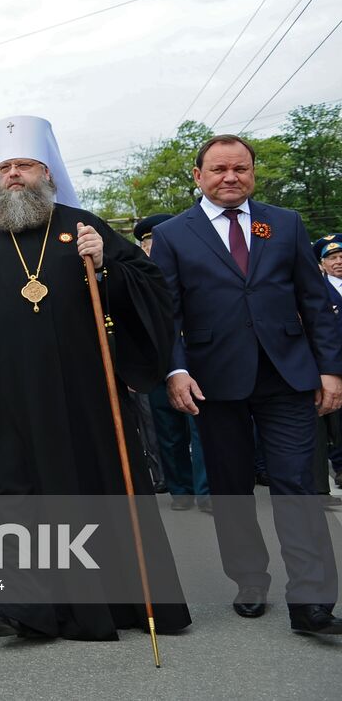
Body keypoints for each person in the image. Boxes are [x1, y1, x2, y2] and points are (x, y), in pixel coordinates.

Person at [0, 115, 191, 641]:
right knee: (13, 498)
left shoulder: (84, 226)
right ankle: (22, 607)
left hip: (84, 396)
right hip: (4, 400)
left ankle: (114, 603)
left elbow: (151, 291)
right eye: (5, 167)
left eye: (24, 166)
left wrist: (106, 267)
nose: (13, 175)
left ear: (47, 172)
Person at [152, 135, 342, 635]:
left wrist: (331, 370)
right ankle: (250, 580)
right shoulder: (174, 234)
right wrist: (175, 371)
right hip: (214, 382)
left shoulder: (285, 223)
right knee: (232, 489)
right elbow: (165, 316)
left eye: (241, 168)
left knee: (296, 486)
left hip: (287, 376)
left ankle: (312, 601)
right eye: (218, 169)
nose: (230, 177)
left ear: (254, 172)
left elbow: (315, 300)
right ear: (198, 175)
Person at [135, 213, 210, 513]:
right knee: (167, 429)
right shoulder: (136, 276)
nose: (156, 246)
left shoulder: (195, 268)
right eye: (150, 241)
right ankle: (181, 489)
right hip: (156, 362)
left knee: (200, 425)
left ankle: (207, 492)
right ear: (142, 246)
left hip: (194, 358)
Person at [318, 234, 342, 490]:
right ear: (322, 264)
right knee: (336, 421)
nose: (338, 262)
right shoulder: (317, 290)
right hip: (334, 367)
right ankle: (340, 466)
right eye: (332, 258)